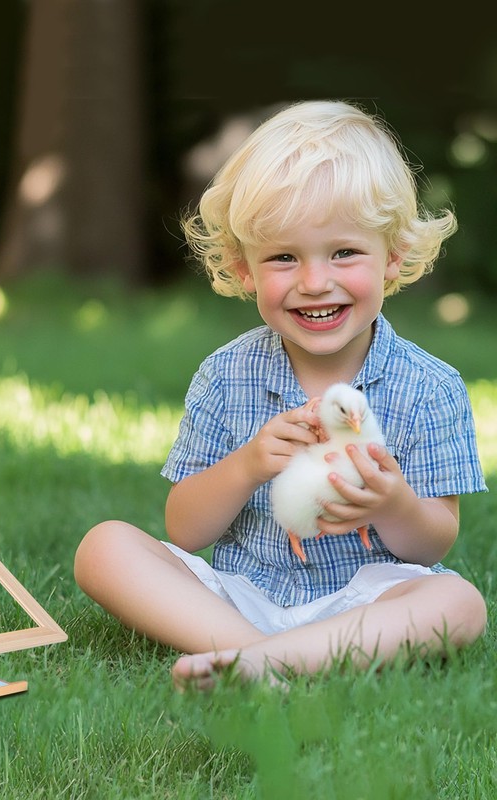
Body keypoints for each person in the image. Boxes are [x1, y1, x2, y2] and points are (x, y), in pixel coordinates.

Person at [73, 99, 488, 688]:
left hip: (364, 607)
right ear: (244, 270)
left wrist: (391, 503)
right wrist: (245, 467)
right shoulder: (224, 377)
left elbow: (434, 542)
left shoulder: (429, 387)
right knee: (103, 547)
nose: (315, 282)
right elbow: (186, 531)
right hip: (241, 599)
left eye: (344, 252)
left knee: (459, 602)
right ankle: (262, 654)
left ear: (392, 256)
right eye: (284, 258)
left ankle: (261, 664)